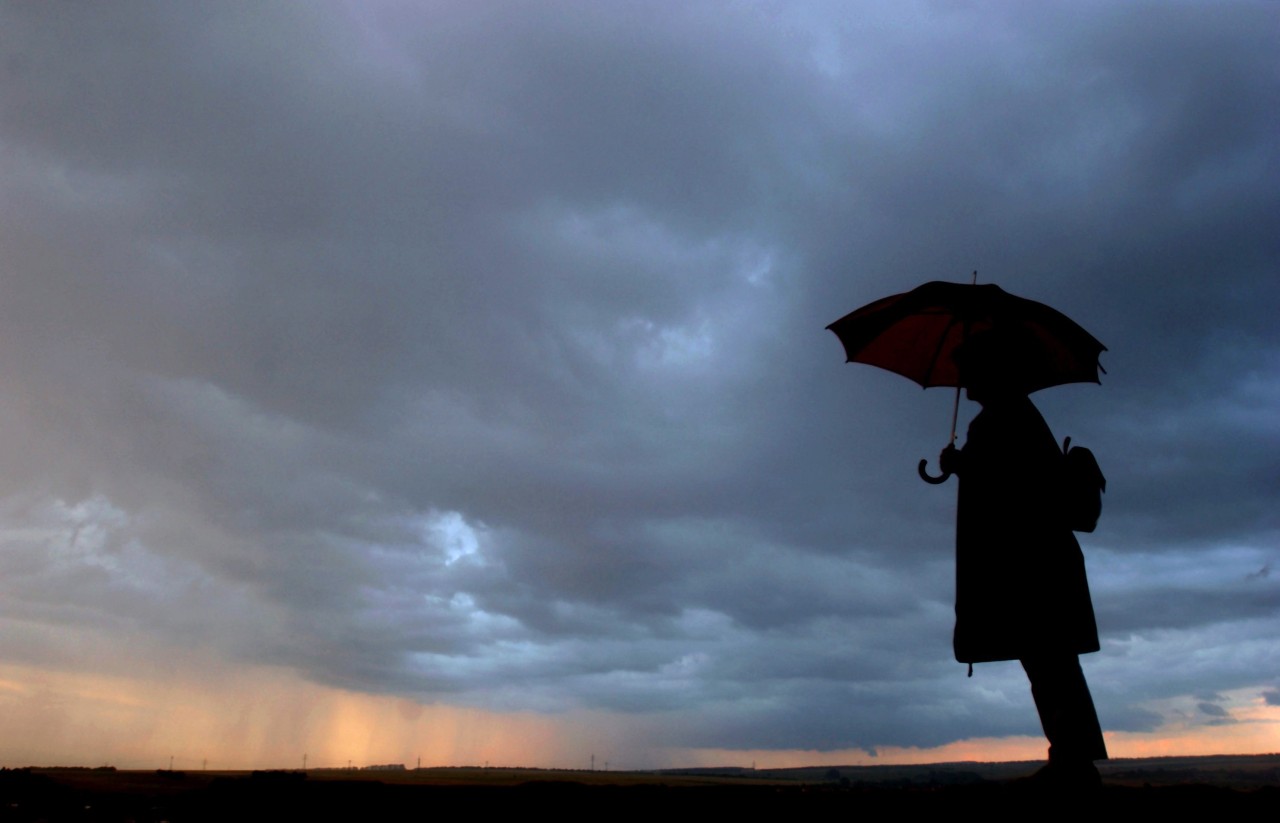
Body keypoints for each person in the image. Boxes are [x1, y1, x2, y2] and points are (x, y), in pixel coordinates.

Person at [938, 329, 1107, 786]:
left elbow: (1015, 487)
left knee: (1049, 664)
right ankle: (1073, 760)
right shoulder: (1011, 415)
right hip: (1038, 566)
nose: (962, 379)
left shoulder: (1002, 419)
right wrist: (964, 466)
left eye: (967, 368)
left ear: (988, 372)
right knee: (1050, 664)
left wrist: (963, 466)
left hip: (1033, 570)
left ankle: (1073, 764)